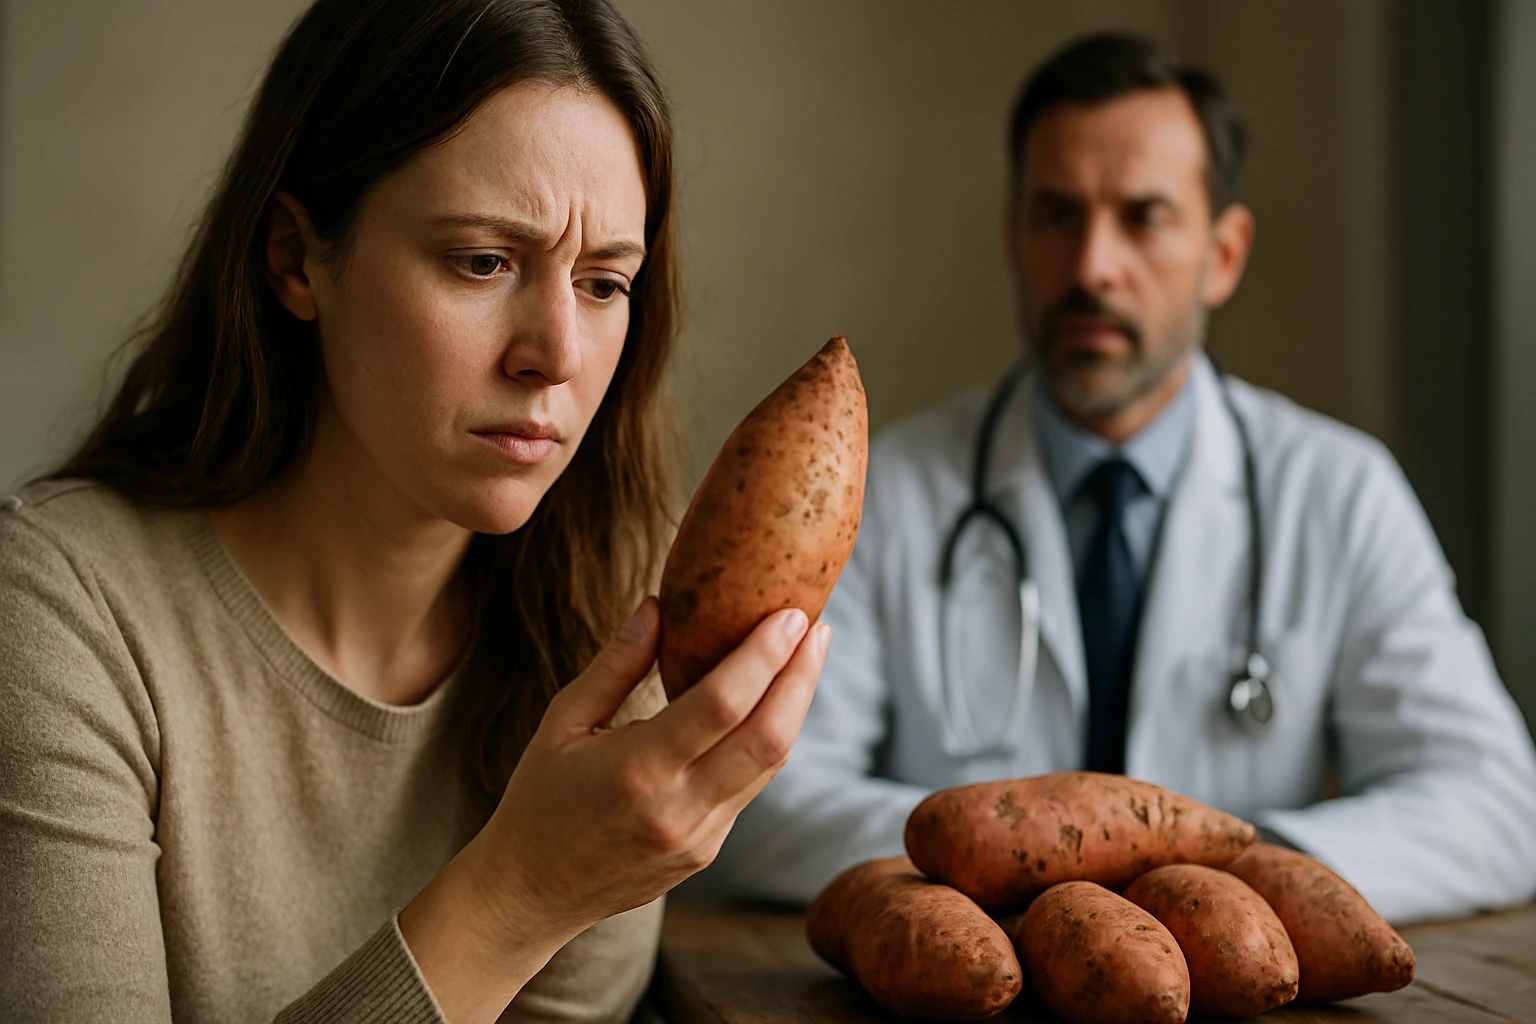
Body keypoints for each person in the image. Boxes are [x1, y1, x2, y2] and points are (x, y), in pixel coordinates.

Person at [0, 2, 830, 1021]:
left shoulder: (610, 626)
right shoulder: (58, 614)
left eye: (605, 281)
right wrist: (522, 891)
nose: (556, 354)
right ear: (297, 260)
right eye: (482, 261)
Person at [693, 32, 1536, 923]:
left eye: (1144, 216)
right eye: (1058, 214)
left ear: (1224, 253)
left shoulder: (1339, 493)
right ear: (1014, 234)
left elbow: (1496, 806)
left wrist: (1216, 875)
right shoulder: (889, 494)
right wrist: (1040, 865)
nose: (1093, 265)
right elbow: (761, 808)